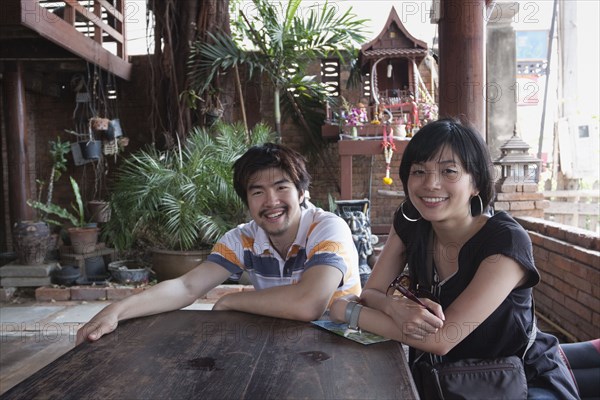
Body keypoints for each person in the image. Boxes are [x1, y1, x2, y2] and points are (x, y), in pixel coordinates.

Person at [330, 118, 579, 399]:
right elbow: (372, 292)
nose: (430, 184)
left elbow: (440, 339)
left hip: (519, 381)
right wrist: (393, 307)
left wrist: (349, 313)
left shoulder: (505, 241)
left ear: (476, 183)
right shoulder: (410, 221)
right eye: (419, 171)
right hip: (442, 382)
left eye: (449, 171)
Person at [77, 143, 361, 344]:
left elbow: (308, 304)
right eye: (258, 192)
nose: (271, 201)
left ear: (301, 193)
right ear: (247, 201)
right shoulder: (243, 238)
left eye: (281, 187)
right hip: (281, 341)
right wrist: (115, 311)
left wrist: (231, 300)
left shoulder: (327, 227)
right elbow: (187, 286)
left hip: (340, 346)